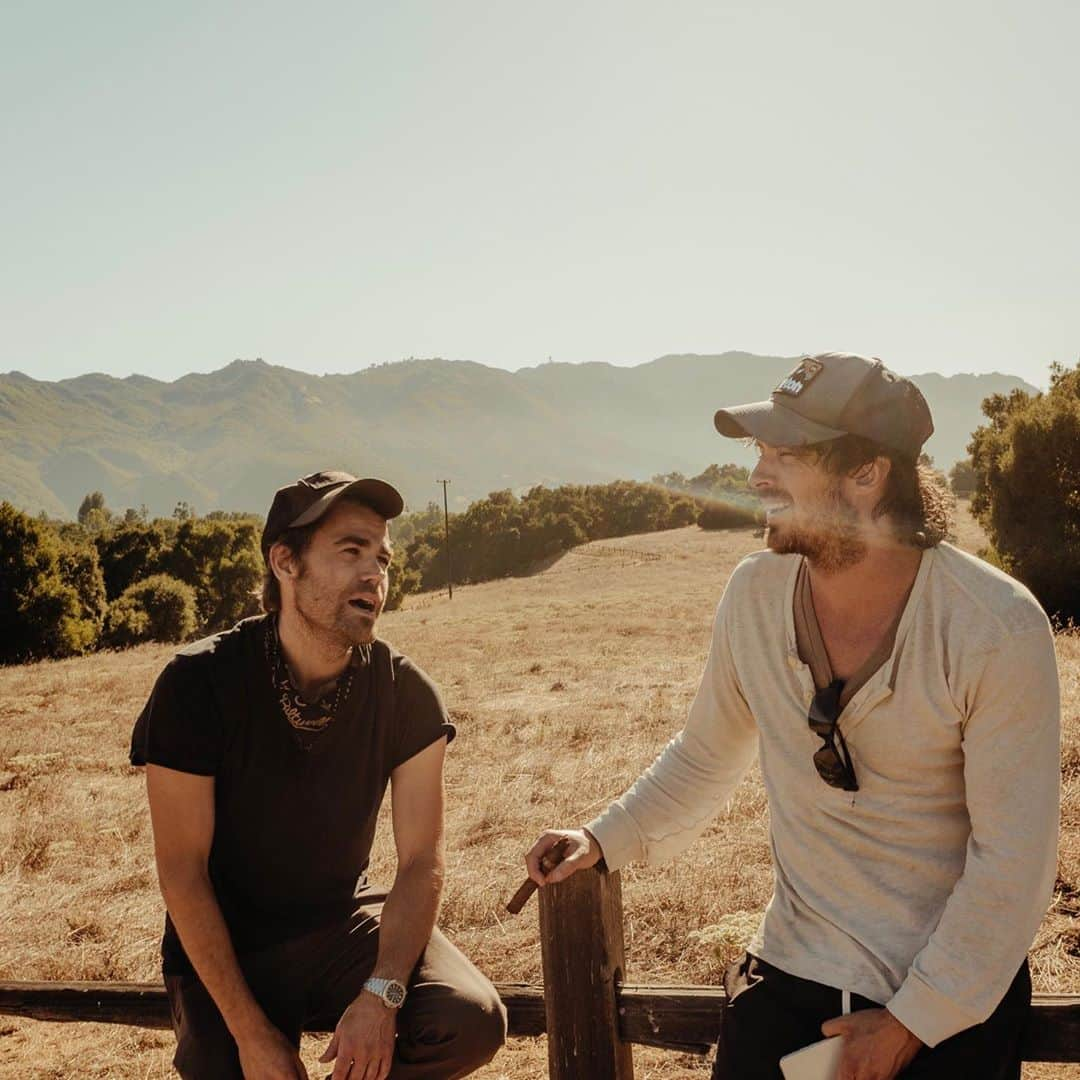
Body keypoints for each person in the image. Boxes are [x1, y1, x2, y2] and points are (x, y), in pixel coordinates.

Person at [526, 353, 1060, 1080]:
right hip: (792, 973)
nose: (756, 477)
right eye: (760, 451)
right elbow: (704, 755)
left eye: (785, 454)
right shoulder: (754, 595)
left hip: (946, 996)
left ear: (868, 473)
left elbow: (1014, 867)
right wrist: (603, 836)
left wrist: (910, 1023)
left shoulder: (994, 626)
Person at [132, 470, 506, 1080]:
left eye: (382, 558)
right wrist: (252, 1035)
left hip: (338, 929)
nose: (375, 576)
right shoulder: (196, 684)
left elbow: (420, 861)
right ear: (285, 562)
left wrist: (381, 993)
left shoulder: (405, 692)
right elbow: (181, 869)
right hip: (226, 945)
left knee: (470, 1017)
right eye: (351, 551)